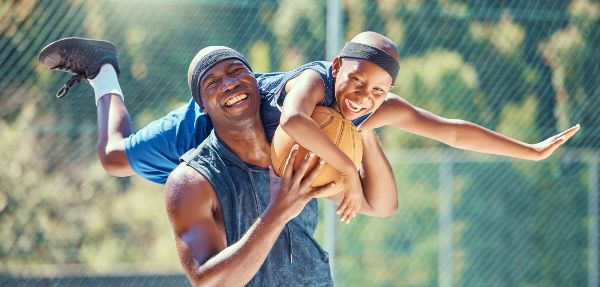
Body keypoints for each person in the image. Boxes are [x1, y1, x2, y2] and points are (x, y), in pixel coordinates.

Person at [39, 31, 580, 223]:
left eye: (380, 92)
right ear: (339, 66)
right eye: (359, 81)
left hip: (255, 162)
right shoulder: (313, 82)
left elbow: (453, 130)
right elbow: (295, 119)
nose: (366, 97)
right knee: (113, 159)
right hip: (214, 121)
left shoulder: (367, 109)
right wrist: (346, 168)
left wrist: (529, 151)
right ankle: (104, 70)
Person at [39, 41, 399, 285]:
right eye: (213, 82)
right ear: (202, 106)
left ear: (257, 84)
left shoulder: (295, 151)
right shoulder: (191, 180)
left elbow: (379, 205)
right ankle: (104, 75)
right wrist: (276, 213)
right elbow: (209, 281)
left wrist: (362, 128)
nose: (228, 83)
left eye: (236, 72)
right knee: (113, 156)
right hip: (197, 147)